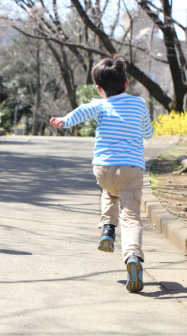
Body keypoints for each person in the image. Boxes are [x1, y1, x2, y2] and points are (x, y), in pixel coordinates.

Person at [50, 54, 153, 292]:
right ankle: (132, 257)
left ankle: (107, 228)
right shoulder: (139, 104)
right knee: (131, 217)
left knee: (109, 190)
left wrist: (63, 121)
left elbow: (81, 111)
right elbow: (147, 133)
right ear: (126, 84)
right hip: (131, 169)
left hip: (103, 169)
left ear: (99, 89)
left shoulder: (100, 104)